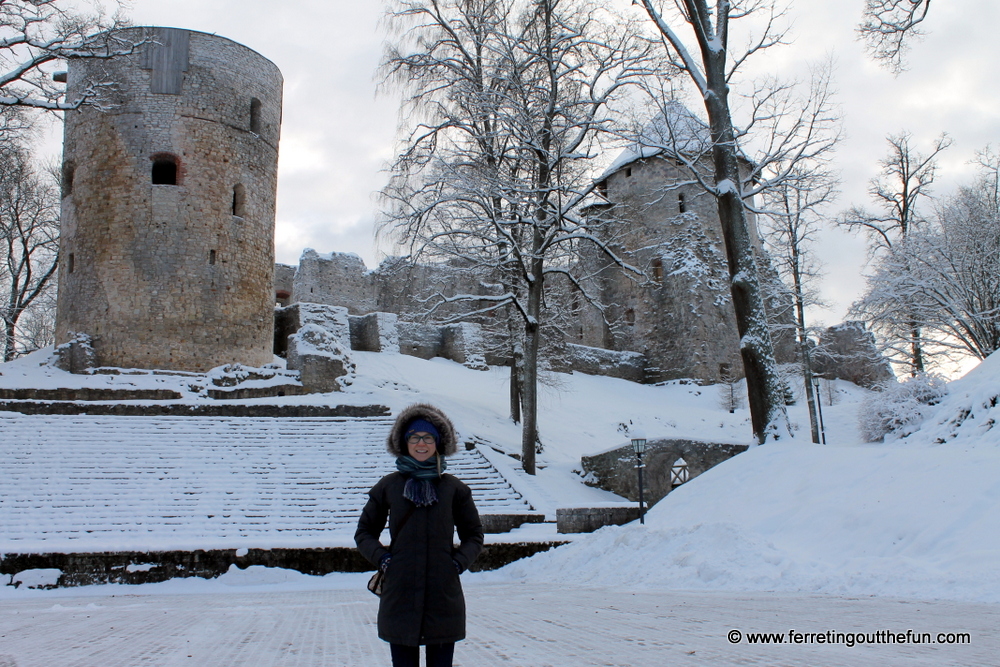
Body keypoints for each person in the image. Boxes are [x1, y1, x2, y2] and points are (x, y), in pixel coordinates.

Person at [356, 403, 484, 667]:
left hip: (442, 596)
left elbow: (473, 535)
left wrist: (457, 563)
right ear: (405, 442)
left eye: (428, 438)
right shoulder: (389, 486)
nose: (421, 443)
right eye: (415, 437)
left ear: (438, 443)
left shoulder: (454, 489)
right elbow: (365, 532)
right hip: (400, 594)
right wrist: (383, 560)